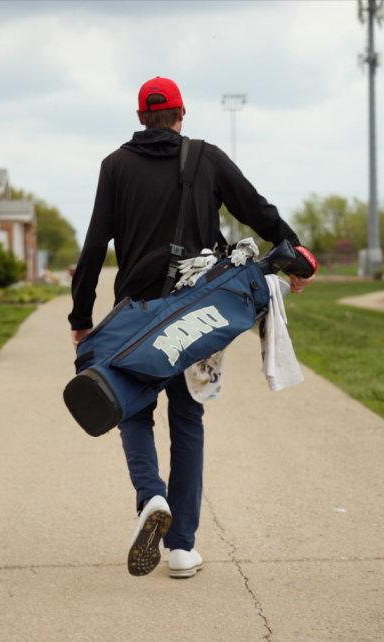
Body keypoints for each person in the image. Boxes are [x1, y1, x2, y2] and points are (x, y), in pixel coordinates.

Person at [68, 77, 315, 579]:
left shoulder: (115, 166)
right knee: (187, 420)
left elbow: (95, 245)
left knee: (132, 412)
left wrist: (81, 318)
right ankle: (181, 548)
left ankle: (151, 496)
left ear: (141, 118)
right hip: (197, 314)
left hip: (136, 315)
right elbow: (257, 210)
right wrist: (297, 257)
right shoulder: (207, 157)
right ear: (182, 114)